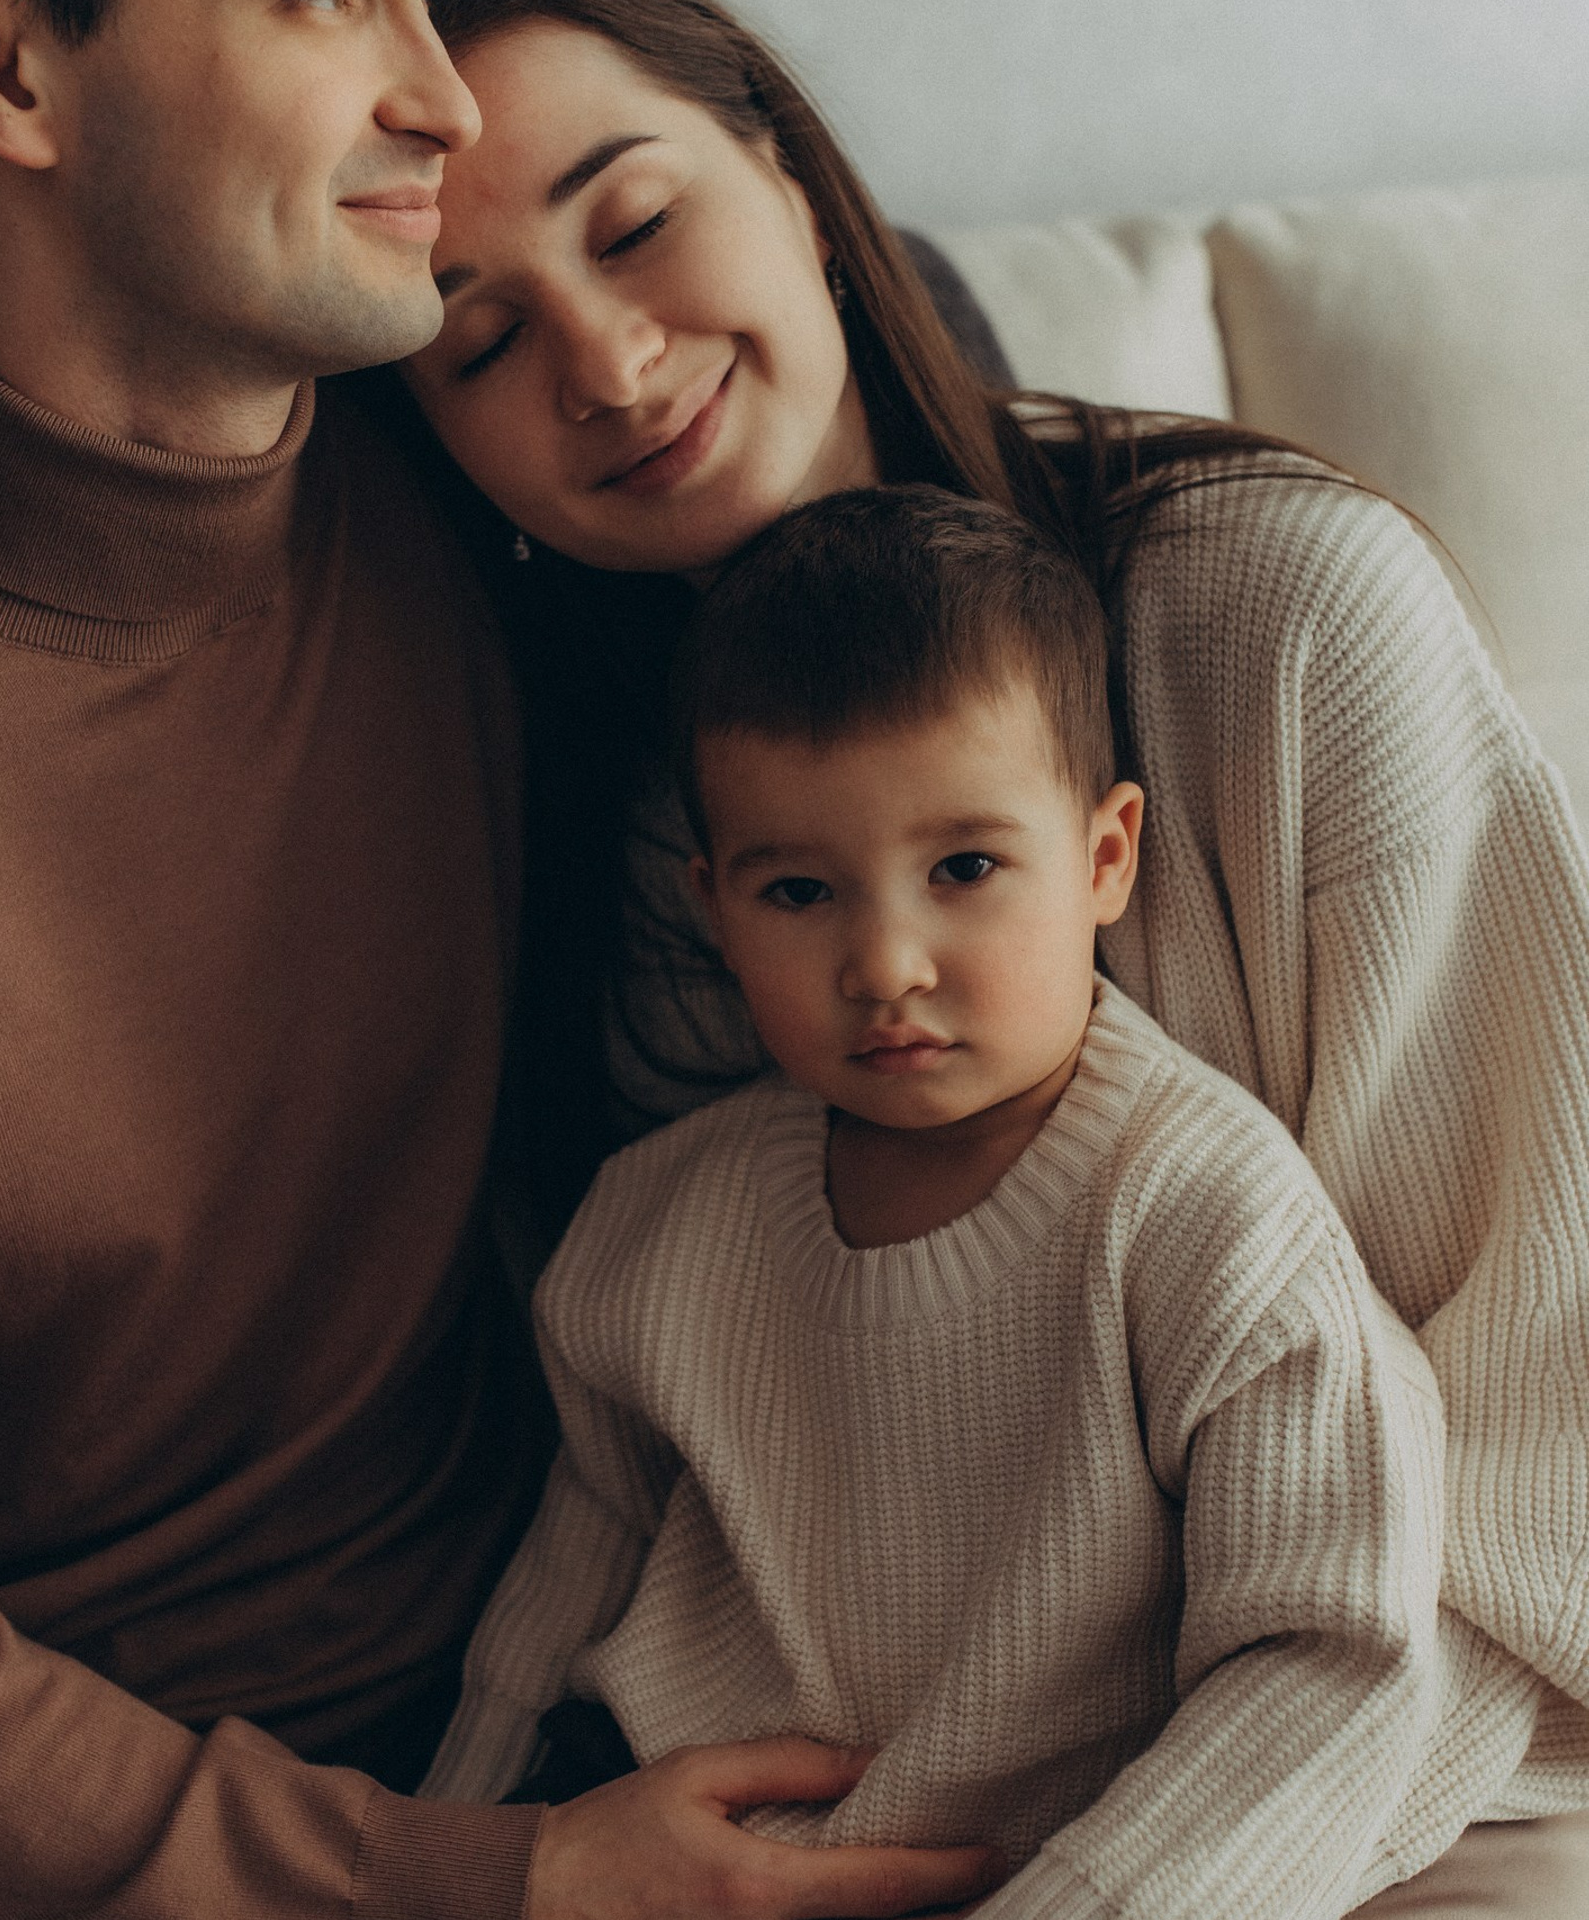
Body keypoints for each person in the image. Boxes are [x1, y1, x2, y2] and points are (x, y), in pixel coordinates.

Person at [0, 3, 1004, 1919]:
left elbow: (903, 547)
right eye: (322, 2)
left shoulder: (475, 479)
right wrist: (500, 1882)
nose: (436, 95)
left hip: (538, 1692)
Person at [388, 0, 1589, 1908]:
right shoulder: (567, 825)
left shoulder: (1275, 620)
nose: (607, 368)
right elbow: (641, 1508)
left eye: (632, 228)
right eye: (478, 339)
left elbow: (1541, 1447)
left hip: (1396, 1783)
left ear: (787, 172)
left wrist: (1141, 1878)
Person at [423, 484, 1452, 1920]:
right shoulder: (656, 1225)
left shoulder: (1208, 1218)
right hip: (669, 1866)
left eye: (964, 868)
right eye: (800, 893)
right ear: (714, 908)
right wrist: (453, 1861)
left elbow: (1330, 1662)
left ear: (1104, 858)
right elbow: (552, 1614)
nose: (887, 962)